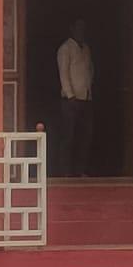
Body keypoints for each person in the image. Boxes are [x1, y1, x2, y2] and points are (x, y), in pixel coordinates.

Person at [56, 19, 95, 177]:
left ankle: (80, 171)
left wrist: (89, 90)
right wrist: (70, 95)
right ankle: (65, 173)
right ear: (72, 29)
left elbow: (90, 70)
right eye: (78, 27)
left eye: (83, 28)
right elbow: (63, 73)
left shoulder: (85, 48)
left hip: (86, 98)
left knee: (84, 137)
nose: (81, 31)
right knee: (68, 137)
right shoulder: (66, 48)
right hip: (70, 100)